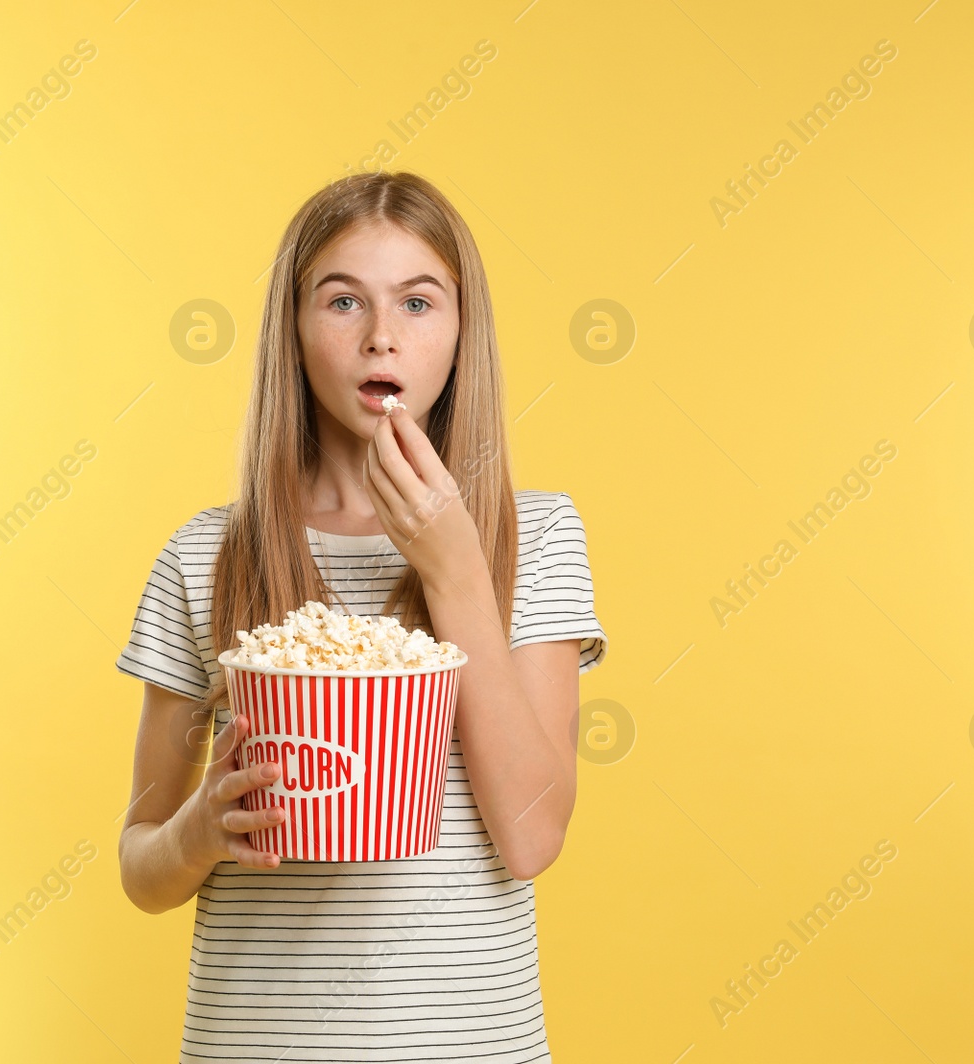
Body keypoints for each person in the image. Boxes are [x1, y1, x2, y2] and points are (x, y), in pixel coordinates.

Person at [114, 170, 607, 1063]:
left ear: (463, 332)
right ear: (293, 332)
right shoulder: (205, 557)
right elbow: (141, 867)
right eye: (343, 302)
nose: (382, 336)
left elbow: (533, 835)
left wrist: (456, 570)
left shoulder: (533, 537)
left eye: (419, 304)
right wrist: (198, 831)